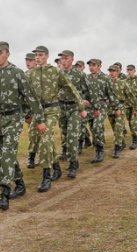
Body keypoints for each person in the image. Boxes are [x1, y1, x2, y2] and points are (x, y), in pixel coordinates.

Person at [0, 41, 46, 209]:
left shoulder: (17, 73)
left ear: (7, 53)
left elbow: (31, 97)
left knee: (8, 152)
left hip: (14, 118)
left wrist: (39, 120)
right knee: (1, 156)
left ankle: (4, 193)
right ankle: (20, 183)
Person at [28, 46, 86, 191]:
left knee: (46, 138)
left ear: (47, 56)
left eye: (40, 55)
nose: (37, 58)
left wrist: (81, 107)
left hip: (52, 110)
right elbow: (24, 94)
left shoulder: (55, 72)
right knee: (34, 137)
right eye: (36, 56)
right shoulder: (31, 74)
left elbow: (71, 88)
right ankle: (56, 166)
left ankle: (47, 175)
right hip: (38, 112)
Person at [58, 49, 91, 178]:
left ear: (72, 59)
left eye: (66, 58)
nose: (63, 61)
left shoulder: (79, 75)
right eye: (62, 59)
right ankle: (67, 154)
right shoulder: (58, 74)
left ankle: (73, 164)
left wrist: (85, 103)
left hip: (74, 109)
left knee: (72, 137)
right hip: (62, 108)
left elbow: (87, 91)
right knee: (65, 135)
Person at [86, 59, 120, 163]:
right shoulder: (87, 78)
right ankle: (98, 145)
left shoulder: (105, 78)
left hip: (101, 106)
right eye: (90, 65)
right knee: (93, 128)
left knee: (96, 127)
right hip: (90, 107)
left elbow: (111, 94)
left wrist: (117, 108)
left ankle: (100, 151)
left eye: (94, 65)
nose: (91, 67)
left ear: (99, 66)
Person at [108, 64, 137, 158]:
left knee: (118, 128)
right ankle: (122, 143)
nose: (112, 73)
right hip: (110, 109)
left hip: (121, 108)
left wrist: (136, 109)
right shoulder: (106, 83)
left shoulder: (122, 83)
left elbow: (131, 96)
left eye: (114, 71)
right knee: (114, 128)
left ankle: (117, 148)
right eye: (110, 71)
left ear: (118, 72)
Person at [24, 52, 40, 169]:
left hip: (41, 110)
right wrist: (26, 114)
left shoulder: (40, 75)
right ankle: (31, 157)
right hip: (30, 112)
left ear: (35, 61)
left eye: (30, 60)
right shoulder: (24, 75)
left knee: (42, 135)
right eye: (27, 60)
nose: (28, 63)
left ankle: (45, 158)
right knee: (32, 135)